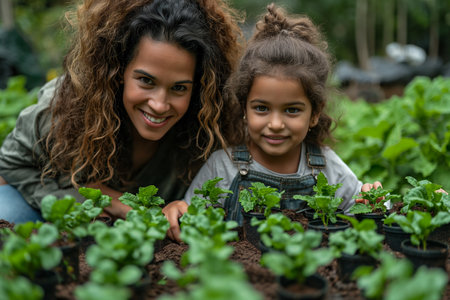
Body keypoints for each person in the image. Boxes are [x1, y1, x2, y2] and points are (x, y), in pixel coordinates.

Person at [0, 0, 243, 223]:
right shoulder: (64, 106)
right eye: (146, 81)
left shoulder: (208, 125)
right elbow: (9, 166)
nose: (159, 105)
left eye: (179, 88)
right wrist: (90, 201)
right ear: (117, 71)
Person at [163, 3, 382, 241]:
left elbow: (361, 210)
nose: (276, 123)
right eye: (261, 108)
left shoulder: (327, 168)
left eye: (292, 110)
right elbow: (188, 215)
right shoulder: (223, 167)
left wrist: (371, 199)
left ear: (315, 113)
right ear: (244, 108)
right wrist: (177, 209)